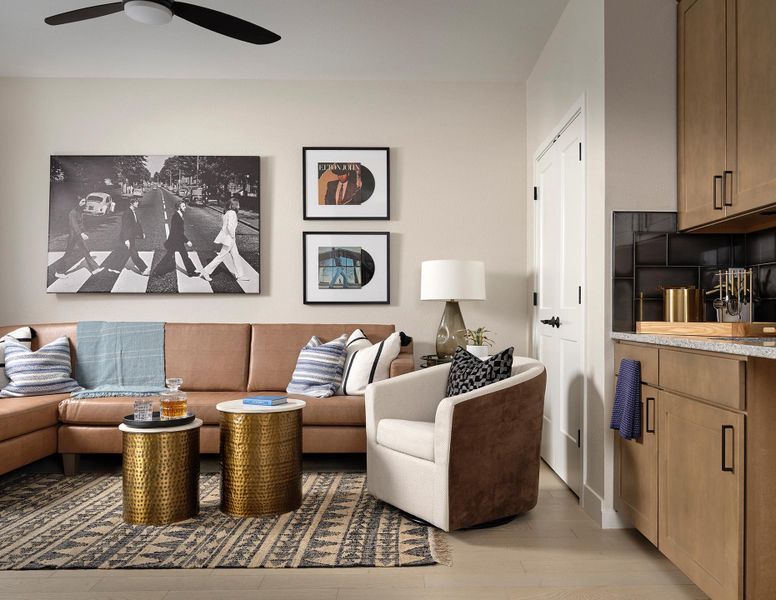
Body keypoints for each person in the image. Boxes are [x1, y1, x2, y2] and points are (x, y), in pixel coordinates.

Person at [199, 198, 248, 282]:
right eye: (238, 204)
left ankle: (240, 275)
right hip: (230, 239)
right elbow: (230, 227)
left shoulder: (226, 213)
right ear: (233, 205)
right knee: (221, 257)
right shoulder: (232, 213)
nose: (239, 206)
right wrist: (232, 236)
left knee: (235, 256)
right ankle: (206, 271)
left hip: (228, 238)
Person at [54, 198, 104, 278]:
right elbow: (75, 225)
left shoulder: (79, 211)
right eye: (82, 201)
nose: (84, 203)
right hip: (74, 236)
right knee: (68, 254)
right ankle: (59, 272)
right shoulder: (72, 213)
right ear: (78, 202)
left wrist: (82, 231)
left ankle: (94, 269)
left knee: (85, 251)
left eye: (85, 201)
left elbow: (80, 224)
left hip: (77, 236)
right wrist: (81, 233)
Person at [152, 200, 196, 277]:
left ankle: (191, 271)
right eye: (183, 206)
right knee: (169, 257)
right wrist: (187, 241)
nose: (185, 207)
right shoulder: (176, 217)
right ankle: (157, 271)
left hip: (177, 240)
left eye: (184, 206)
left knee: (183, 255)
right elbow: (178, 232)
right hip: (175, 241)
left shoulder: (179, 215)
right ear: (179, 207)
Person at [107, 197, 149, 276]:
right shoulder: (127, 213)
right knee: (133, 253)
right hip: (127, 237)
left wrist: (141, 234)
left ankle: (113, 267)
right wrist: (126, 240)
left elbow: (136, 224)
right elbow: (125, 227)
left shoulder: (132, 212)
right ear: (131, 203)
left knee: (122, 253)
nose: (138, 203)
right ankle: (143, 269)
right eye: (136, 202)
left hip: (131, 237)